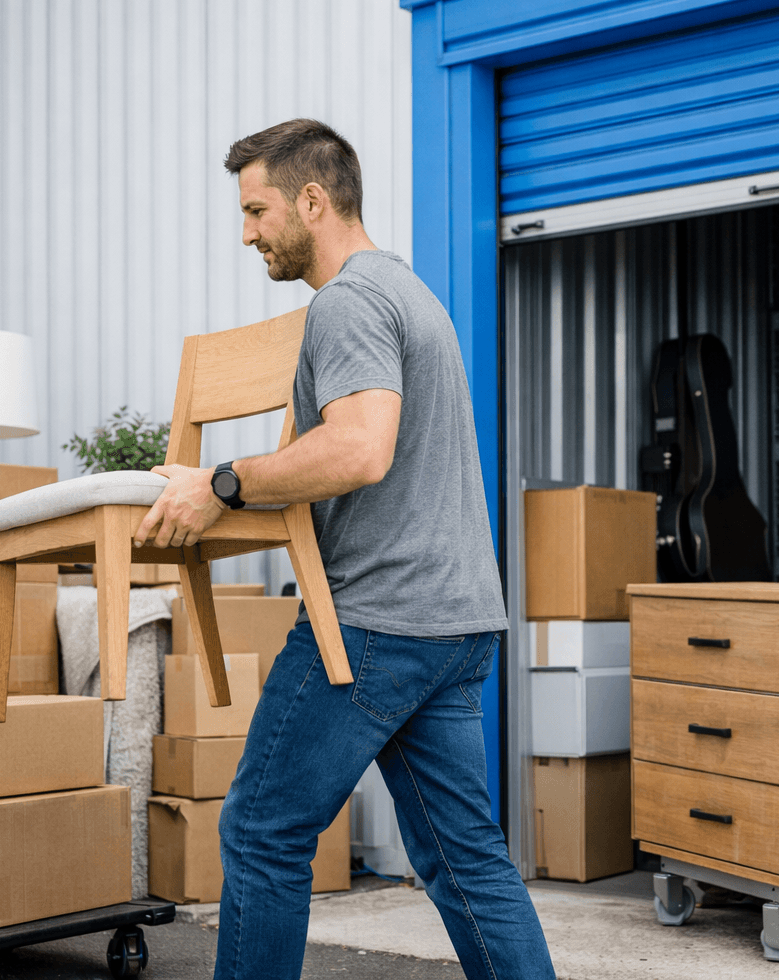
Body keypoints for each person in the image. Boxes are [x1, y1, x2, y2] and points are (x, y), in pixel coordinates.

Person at [132, 119, 556, 980]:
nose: (247, 232)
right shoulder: (410, 293)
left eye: (258, 210)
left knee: (261, 830)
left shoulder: (348, 301)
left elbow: (362, 447)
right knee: (465, 859)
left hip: (374, 625)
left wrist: (220, 485)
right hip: (453, 625)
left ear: (313, 201)